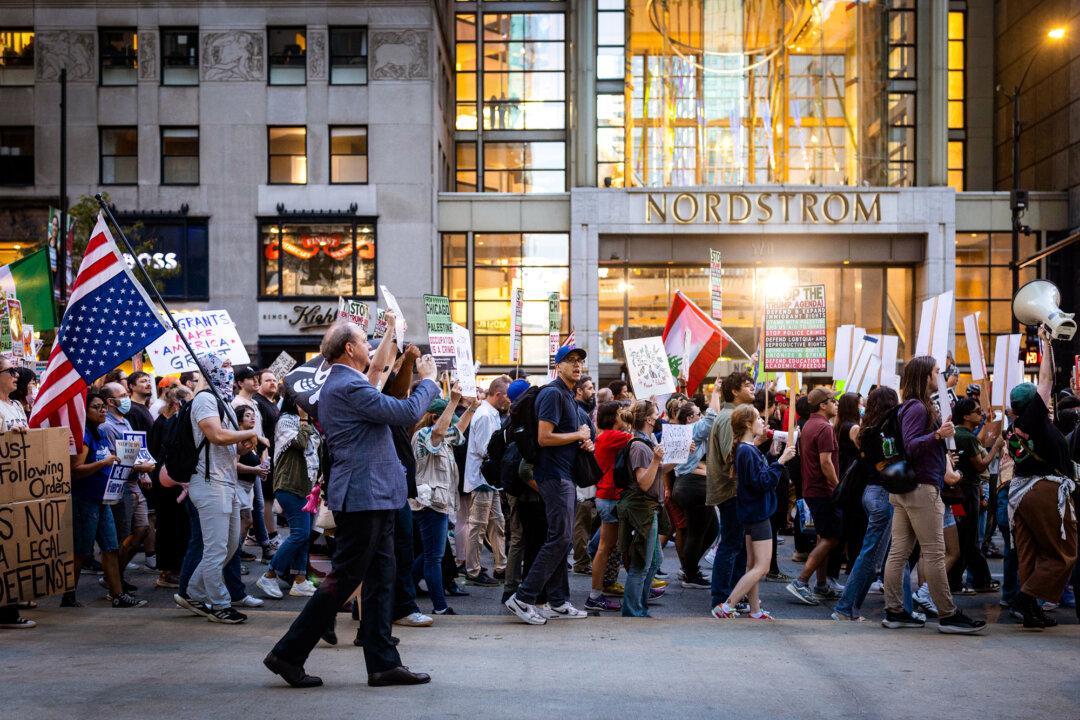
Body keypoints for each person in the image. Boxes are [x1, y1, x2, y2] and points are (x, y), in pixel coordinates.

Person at [265, 315, 440, 689]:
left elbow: (378, 371)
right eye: (365, 340)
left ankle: (383, 663)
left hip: (373, 494)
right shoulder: (347, 386)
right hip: (363, 496)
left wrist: (395, 333)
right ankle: (288, 653)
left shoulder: (348, 381)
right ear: (349, 348)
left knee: (381, 579)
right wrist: (428, 380)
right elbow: (407, 412)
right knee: (345, 579)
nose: (370, 347)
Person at [881, 355, 986, 633]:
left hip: (908, 489)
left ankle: (895, 611)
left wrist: (939, 440)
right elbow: (912, 445)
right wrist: (937, 435)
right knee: (935, 553)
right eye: (936, 372)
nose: (940, 376)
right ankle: (948, 616)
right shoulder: (917, 408)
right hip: (921, 489)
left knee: (900, 552)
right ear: (925, 376)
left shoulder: (910, 406)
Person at [504, 345, 591, 624]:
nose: (577, 365)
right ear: (558, 366)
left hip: (564, 473)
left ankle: (558, 601)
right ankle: (523, 597)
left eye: (579, 361)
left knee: (560, 537)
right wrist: (577, 433)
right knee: (560, 537)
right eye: (570, 361)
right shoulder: (553, 393)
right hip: (553, 475)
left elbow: (565, 436)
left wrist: (582, 441)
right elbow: (544, 437)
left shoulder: (568, 395)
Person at [180, 355, 261, 624]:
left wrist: (245, 444)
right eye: (223, 368)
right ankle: (219, 604)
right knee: (216, 549)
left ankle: (193, 591)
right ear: (210, 371)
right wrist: (250, 435)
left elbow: (229, 447)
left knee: (229, 547)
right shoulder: (204, 399)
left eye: (230, 368)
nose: (228, 373)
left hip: (227, 482)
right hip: (210, 483)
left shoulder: (222, 402)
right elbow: (216, 435)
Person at [1006, 327, 1077, 629]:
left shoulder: (1017, 427)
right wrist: (1046, 340)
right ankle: (1026, 597)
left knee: (1031, 554)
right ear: (1033, 403)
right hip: (1044, 490)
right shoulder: (1033, 419)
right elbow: (1046, 379)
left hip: (1021, 493)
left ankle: (1031, 611)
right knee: (1065, 552)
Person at [832, 387, 919, 622]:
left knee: (892, 554)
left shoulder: (867, 430)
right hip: (883, 494)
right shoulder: (887, 431)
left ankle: (901, 609)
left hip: (872, 493)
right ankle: (846, 607)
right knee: (877, 555)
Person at [711, 405, 797, 619]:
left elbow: (755, 477)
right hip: (758, 513)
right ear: (748, 424)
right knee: (762, 566)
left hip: (751, 512)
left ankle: (755, 609)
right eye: (758, 418)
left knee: (752, 564)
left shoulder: (745, 448)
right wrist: (781, 462)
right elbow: (762, 482)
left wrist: (771, 456)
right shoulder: (746, 450)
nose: (763, 422)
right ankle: (727, 605)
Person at [65, 391, 147, 609]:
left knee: (110, 547)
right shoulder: (84, 437)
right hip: (86, 500)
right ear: (85, 411)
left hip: (104, 501)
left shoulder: (100, 433)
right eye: (96, 407)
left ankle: (118, 595)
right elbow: (76, 470)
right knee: (83, 551)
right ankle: (68, 595)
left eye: (103, 406)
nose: (102, 411)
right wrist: (104, 463)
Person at [411, 386, 478, 615]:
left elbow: (457, 432)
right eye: (447, 418)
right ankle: (439, 606)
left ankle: (403, 588)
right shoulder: (424, 435)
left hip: (437, 503)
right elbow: (439, 434)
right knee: (433, 557)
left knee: (429, 554)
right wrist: (453, 402)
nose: (451, 423)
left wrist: (471, 408)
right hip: (429, 504)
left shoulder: (441, 435)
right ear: (434, 417)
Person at [257, 395, 321, 599]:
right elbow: (300, 443)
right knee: (299, 534)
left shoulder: (307, 422)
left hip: (306, 487)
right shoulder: (285, 420)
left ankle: (300, 580)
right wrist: (303, 420)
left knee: (304, 535)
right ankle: (269, 574)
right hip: (290, 485)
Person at [786, 387, 843, 605]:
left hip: (813, 489)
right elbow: (826, 462)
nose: (836, 403)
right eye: (833, 400)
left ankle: (821, 585)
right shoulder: (824, 428)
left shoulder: (809, 424)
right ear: (822, 405)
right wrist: (838, 487)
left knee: (823, 536)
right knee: (831, 537)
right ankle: (801, 581)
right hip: (823, 491)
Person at [99, 381, 155, 593]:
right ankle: (113, 579)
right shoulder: (107, 427)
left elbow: (134, 453)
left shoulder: (125, 422)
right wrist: (141, 469)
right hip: (120, 488)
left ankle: (115, 575)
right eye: (122, 395)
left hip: (134, 484)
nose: (126, 398)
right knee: (122, 535)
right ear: (111, 401)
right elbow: (116, 462)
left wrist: (141, 470)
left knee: (142, 530)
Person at [707, 370, 755, 611]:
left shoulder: (731, 414)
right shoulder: (729, 417)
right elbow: (731, 455)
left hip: (734, 491)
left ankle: (733, 597)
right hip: (731, 491)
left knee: (736, 544)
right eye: (747, 385)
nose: (752, 389)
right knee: (730, 545)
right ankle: (722, 599)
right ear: (734, 391)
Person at [617, 400, 667, 617]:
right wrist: (656, 460)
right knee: (641, 564)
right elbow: (644, 483)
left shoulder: (646, 441)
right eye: (656, 414)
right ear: (648, 419)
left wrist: (677, 457)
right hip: (641, 510)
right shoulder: (638, 445)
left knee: (654, 560)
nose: (659, 417)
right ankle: (633, 611)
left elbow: (658, 471)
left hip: (648, 508)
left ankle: (640, 607)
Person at [950, 397, 1001, 593]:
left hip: (957, 492)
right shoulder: (967, 437)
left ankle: (978, 580)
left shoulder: (955, 433)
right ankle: (967, 581)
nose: (980, 415)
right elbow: (980, 466)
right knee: (968, 538)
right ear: (966, 415)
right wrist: (995, 448)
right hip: (967, 492)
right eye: (977, 411)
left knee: (964, 536)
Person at [585, 400, 632, 611]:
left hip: (607, 497)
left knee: (606, 545)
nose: (625, 415)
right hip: (611, 497)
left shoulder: (605, 436)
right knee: (605, 547)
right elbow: (638, 439)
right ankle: (595, 596)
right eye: (622, 413)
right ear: (613, 417)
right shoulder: (613, 436)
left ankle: (598, 593)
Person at [463, 376, 510, 586]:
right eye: (506, 395)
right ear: (498, 395)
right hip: (482, 479)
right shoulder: (484, 415)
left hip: (489, 479)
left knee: (497, 523)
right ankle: (473, 569)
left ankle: (501, 566)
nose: (508, 400)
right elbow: (485, 449)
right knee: (479, 526)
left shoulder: (490, 414)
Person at [0, 357, 35, 628]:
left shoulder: (14, 406)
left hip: (18, 484)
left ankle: (11, 605)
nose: (16, 375)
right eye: (10, 371)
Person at [149, 384, 193, 589]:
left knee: (177, 525)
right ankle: (168, 570)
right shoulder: (166, 423)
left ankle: (174, 567)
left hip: (172, 481)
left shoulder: (168, 421)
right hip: (168, 483)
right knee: (170, 526)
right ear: (177, 404)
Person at [672, 394, 718, 589]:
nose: (701, 416)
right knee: (696, 533)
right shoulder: (692, 429)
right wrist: (715, 392)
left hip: (690, 485)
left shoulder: (687, 432)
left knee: (711, 530)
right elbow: (711, 420)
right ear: (689, 418)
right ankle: (690, 575)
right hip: (692, 487)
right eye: (698, 413)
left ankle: (689, 568)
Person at [233, 365, 275, 560]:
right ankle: (263, 546)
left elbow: (261, 436)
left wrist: (263, 459)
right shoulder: (236, 404)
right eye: (252, 378)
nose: (256, 381)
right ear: (241, 382)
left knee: (256, 506)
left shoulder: (255, 404)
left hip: (256, 461)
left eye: (258, 378)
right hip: (241, 466)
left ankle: (262, 545)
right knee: (249, 511)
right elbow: (237, 440)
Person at [571, 376, 598, 576]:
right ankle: (581, 561)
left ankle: (582, 559)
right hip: (581, 472)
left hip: (581, 472)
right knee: (582, 518)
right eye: (589, 388)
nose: (593, 392)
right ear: (579, 391)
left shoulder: (582, 411)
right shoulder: (579, 413)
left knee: (585, 518)